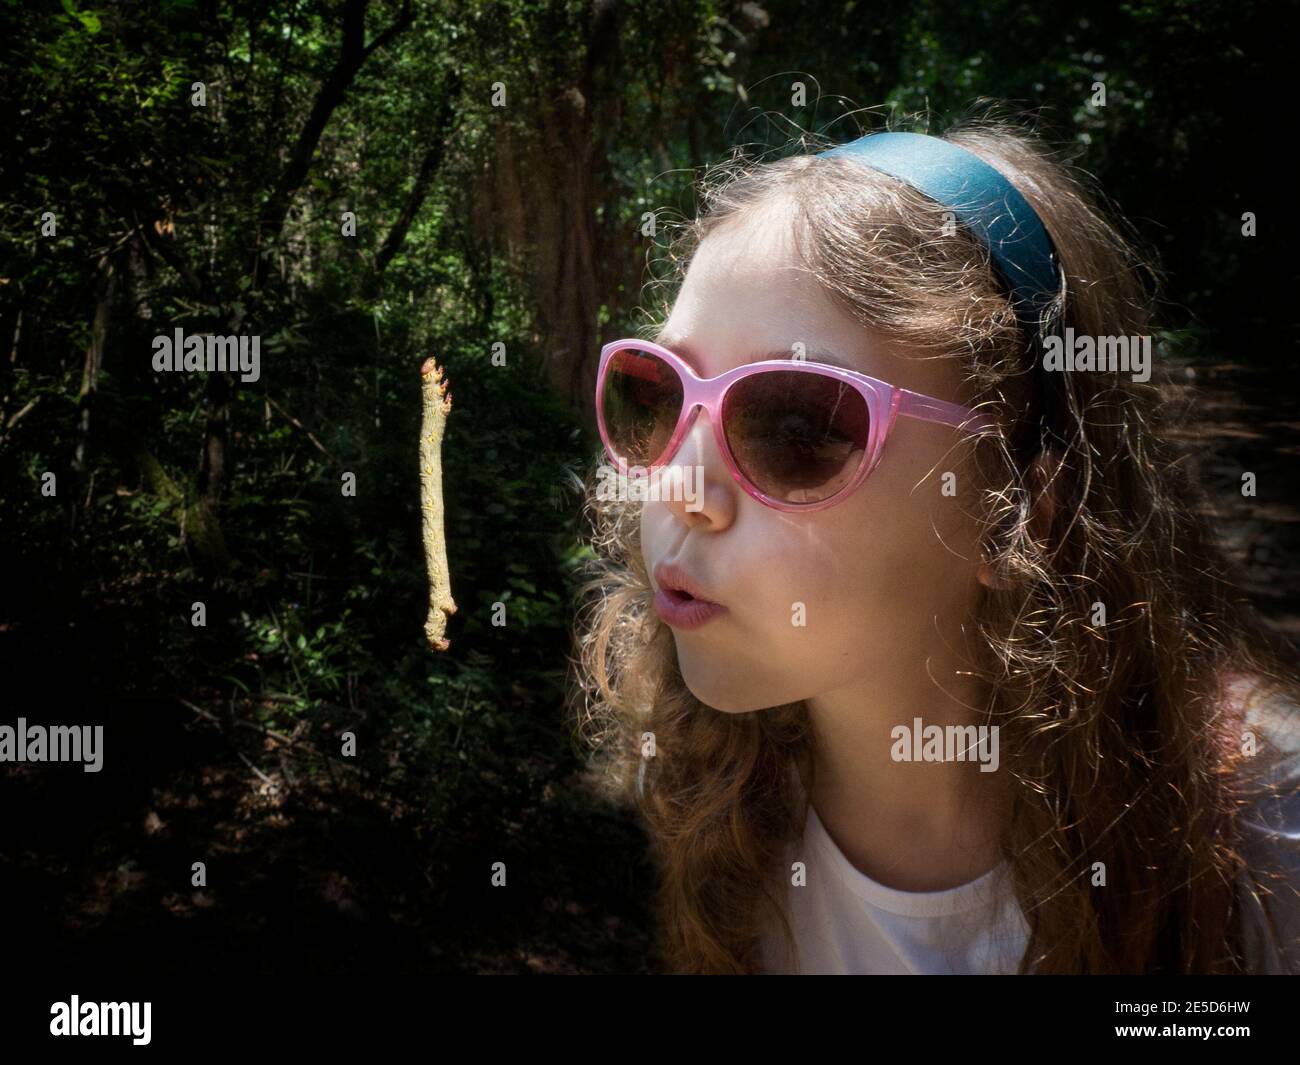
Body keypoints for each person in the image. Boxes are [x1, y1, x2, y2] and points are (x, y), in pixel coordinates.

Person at [568, 113, 1300, 974]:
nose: (679, 485)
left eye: (797, 427)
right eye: (657, 394)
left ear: (1016, 509)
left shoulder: (1266, 841)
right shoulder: (703, 790)